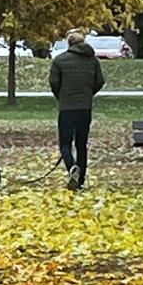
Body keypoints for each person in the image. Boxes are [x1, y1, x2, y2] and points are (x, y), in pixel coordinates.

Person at [48, 29, 105, 190]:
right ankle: (80, 180)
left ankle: (72, 168)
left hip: (66, 107)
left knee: (65, 144)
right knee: (81, 144)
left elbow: (53, 82)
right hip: (85, 108)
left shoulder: (60, 60)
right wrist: (88, 93)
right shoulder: (92, 61)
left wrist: (61, 96)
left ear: (69, 42)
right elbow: (100, 81)